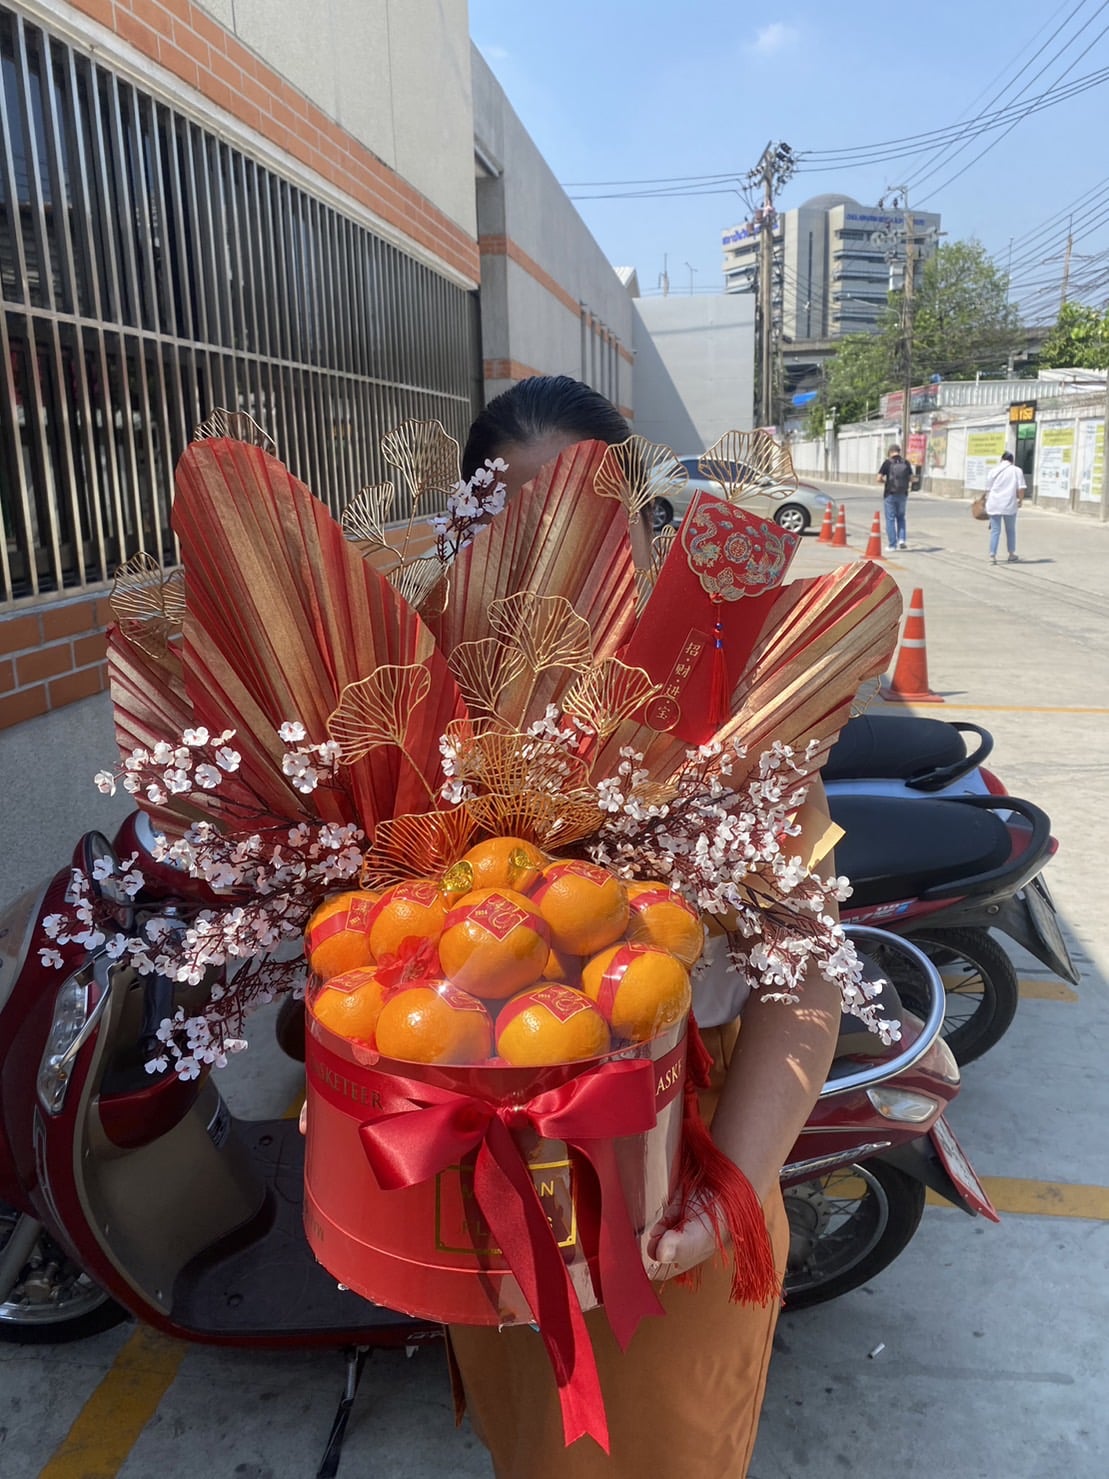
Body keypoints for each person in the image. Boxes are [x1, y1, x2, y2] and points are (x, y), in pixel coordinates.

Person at [450, 376, 842, 1478]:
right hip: (487, 1176)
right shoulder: (417, 711)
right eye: (520, 530)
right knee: (529, 1444)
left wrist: (727, 1191)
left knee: (665, 1450)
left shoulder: (737, 706)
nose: (556, 567)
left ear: (638, 525)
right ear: (471, 533)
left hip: (685, 1153)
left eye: (589, 523)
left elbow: (800, 972)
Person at [984, 450, 1025, 564]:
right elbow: (1021, 488)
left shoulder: (993, 471)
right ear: (1012, 461)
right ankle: (1011, 554)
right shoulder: (1017, 471)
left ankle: (992, 556)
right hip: (1009, 504)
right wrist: (1020, 500)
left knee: (995, 531)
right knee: (1010, 530)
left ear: (1001, 460)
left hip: (994, 503)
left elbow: (988, 488)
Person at [876, 444, 913, 553]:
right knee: (901, 517)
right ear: (899, 451)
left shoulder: (887, 463)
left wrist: (886, 482)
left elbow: (878, 478)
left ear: (890, 452)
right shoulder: (906, 463)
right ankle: (902, 540)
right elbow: (911, 478)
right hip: (903, 494)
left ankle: (892, 545)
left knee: (890, 519)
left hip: (890, 494)